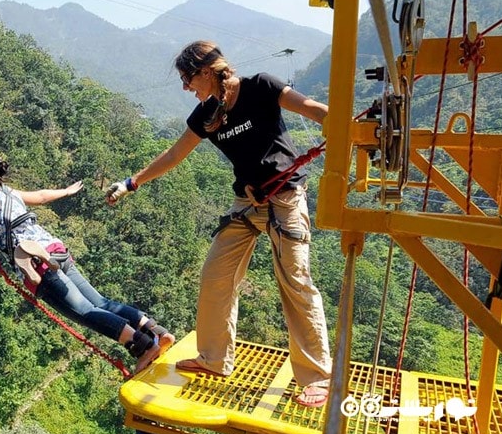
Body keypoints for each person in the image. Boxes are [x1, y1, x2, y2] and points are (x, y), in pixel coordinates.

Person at [105, 40, 332, 407]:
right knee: (215, 276)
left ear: (206, 71)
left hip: (285, 198)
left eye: (187, 78)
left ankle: (318, 377)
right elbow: (174, 154)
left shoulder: (261, 86)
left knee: (294, 280)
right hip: (246, 202)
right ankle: (214, 359)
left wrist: (343, 125)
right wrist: (132, 183)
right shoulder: (207, 115)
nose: (185, 88)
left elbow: (312, 109)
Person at [0, 149, 174, 373]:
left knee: (86, 312)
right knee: (100, 301)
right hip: (55, 250)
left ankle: (142, 347)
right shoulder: (8, 192)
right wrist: (65, 191)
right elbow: (42, 196)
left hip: (37, 261)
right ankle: (156, 332)